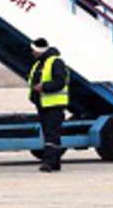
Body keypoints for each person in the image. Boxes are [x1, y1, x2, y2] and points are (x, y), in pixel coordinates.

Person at [28, 38, 70, 173]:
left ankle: (47, 162)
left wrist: (44, 87)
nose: (32, 53)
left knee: (51, 134)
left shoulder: (55, 62)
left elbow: (60, 81)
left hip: (54, 104)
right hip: (43, 104)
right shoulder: (39, 64)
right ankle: (55, 162)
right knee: (50, 134)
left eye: (33, 50)